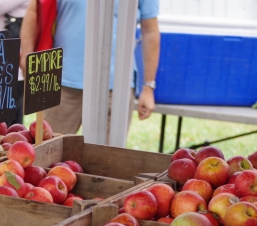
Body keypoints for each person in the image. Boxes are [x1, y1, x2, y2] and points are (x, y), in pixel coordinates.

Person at [20, 0, 160, 136]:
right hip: (62, 82)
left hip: (116, 86)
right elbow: (35, 10)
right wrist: (26, 54)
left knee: (107, 157)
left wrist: (148, 87)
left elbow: (150, 30)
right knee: (49, 152)